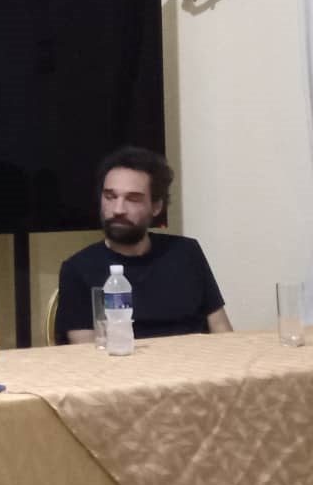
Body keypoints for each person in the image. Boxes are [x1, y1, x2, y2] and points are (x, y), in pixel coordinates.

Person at [55, 146, 232, 343]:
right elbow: (85, 353)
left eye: (132, 199)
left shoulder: (186, 253)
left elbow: (222, 330)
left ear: (156, 206)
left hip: (195, 360)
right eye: (110, 197)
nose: (118, 209)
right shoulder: (77, 269)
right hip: (121, 362)